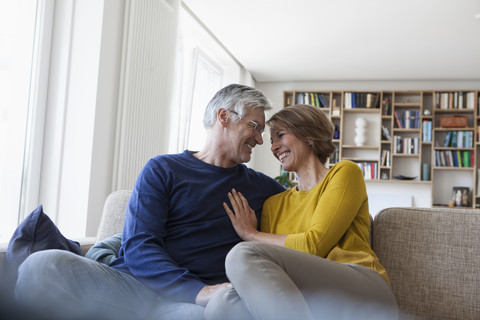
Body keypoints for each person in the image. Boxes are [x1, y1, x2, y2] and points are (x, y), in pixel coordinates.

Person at [14, 84, 285, 320]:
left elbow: (315, 210)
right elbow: (139, 245)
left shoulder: (263, 188)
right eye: (255, 127)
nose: (260, 140)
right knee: (41, 265)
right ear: (223, 116)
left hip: (188, 306)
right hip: (133, 286)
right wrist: (199, 291)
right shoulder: (163, 169)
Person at [205, 104, 398, 320]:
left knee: (242, 254)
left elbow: (314, 245)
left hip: (361, 286)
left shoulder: (344, 173)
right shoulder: (274, 204)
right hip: (310, 298)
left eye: (280, 136)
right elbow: (272, 269)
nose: (274, 147)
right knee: (222, 304)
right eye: (271, 141)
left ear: (308, 135)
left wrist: (251, 234)